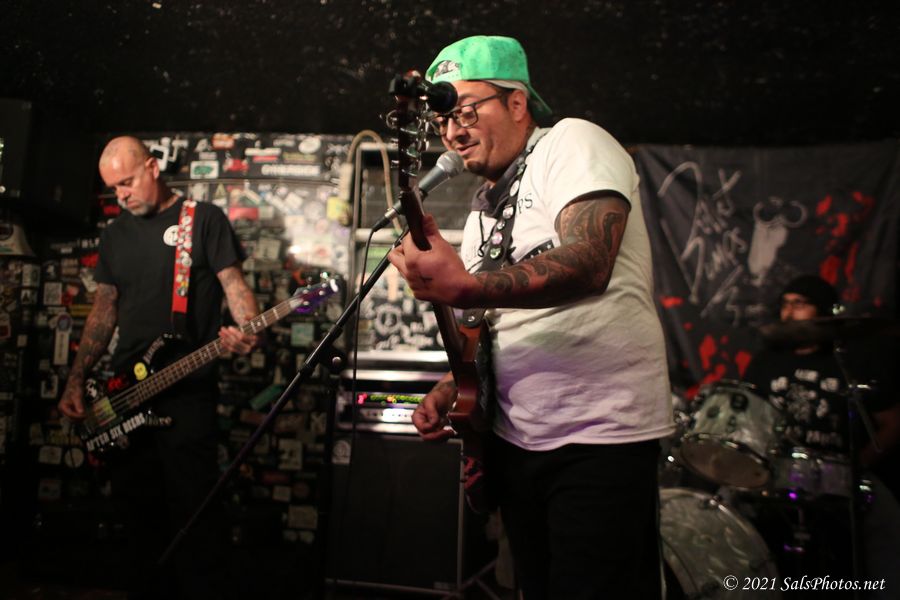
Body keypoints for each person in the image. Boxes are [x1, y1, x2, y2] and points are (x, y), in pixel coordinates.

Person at [387, 36, 673, 599]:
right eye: (442, 121)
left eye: (464, 111)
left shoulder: (571, 141)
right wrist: (453, 385)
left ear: (516, 102)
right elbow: (488, 324)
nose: (452, 132)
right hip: (516, 442)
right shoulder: (482, 211)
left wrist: (465, 284)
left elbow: (590, 260)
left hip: (599, 436)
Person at [58, 136, 259, 599]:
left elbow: (234, 285)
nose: (121, 195)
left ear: (152, 167)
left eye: (127, 182)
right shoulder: (115, 235)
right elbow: (104, 310)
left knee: (195, 513)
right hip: (124, 395)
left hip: (187, 394)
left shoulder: (202, 219)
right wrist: (76, 378)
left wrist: (248, 328)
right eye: (114, 188)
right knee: (135, 511)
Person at [744, 275, 900, 596]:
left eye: (800, 304)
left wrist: (859, 464)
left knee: (889, 525)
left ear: (823, 311)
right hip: (775, 471)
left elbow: (892, 422)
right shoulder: (766, 360)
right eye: (785, 304)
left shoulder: (848, 361)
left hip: (840, 471)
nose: (789, 312)